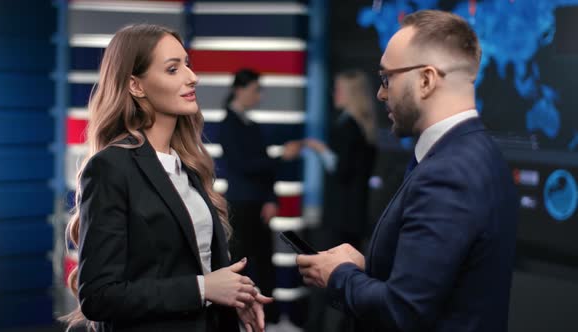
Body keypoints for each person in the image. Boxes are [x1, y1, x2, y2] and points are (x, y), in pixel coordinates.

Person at [296, 10, 518, 332]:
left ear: (426, 80)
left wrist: (338, 276)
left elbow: (403, 311)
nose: (380, 93)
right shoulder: (475, 153)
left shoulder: (448, 173)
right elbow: (434, 284)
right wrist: (363, 268)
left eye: (387, 78)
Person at [61, 24, 271, 332]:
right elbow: (98, 296)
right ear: (136, 86)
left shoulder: (187, 165)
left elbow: (192, 266)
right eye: (173, 69)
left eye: (187, 64)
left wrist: (233, 294)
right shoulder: (110, 168)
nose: (192, 77)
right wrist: (203, 288)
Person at [218, 68, 303, 324]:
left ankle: (269, 317)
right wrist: (279, 158)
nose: (259, 96)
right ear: (239, 90)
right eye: (256, 90)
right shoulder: (228, 125)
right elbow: (245, 164)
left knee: (265, 263)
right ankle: (235, 317)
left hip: (258, 204)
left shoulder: (252, 125)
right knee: (241, 263)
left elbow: (263, 169)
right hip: (240, 205)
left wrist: (271, 199)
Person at [302, 70, 377, 332]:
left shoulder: (347, 128)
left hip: (338, 219)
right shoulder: (364, 129)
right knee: (348, 281)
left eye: (339, 89)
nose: (335, 94)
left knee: (323, 278)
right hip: (353, 218)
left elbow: (341, 169)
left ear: (350, 94)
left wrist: (319, 149)